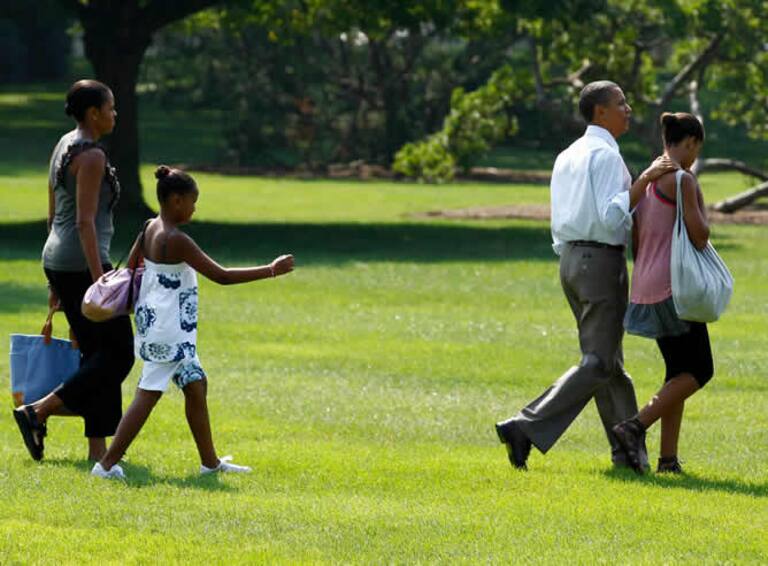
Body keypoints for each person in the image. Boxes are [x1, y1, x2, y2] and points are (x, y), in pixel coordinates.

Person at [494, 80, 678, 470]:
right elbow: (612, 216)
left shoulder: (567, 155)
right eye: (621, 103)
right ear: (600, 112)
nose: (628, 109)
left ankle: (629, 457)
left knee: (610, 364)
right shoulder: (607, 157)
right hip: (600, 263)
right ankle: (524, 426)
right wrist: (645, 179)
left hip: (570, 262)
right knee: (598, 362)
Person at [91, 166, 295, 479]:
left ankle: (210, 464)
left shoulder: (149, 227)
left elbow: (132, 268)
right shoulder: (176, 239)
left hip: (158, 323)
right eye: (192, 201)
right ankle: (105, 466)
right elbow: (221, 276)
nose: (194, 208)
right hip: (169, 330)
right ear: (176, 200)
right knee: (148, 393)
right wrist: (270, 270)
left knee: (196, 385)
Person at [13, 80, 134, 462]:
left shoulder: (64, 143)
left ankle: (99, 452)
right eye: (110, 107)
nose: (115, 114)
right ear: (93, 113)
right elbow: (84, 222)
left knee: (97, 355)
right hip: (83, 263)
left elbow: (53, 214)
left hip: (59, 259)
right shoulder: (92, 156)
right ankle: (38, 411)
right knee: (119, 354)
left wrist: (55, 280)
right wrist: (101, 280)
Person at [613, 113, 711, 474]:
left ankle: (668, 460)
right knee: (700, 370)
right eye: (696, 148)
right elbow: (700, 236)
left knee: (677, 373)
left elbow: (637, 238)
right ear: (690, 143)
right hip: (675, 288)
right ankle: (634, 426)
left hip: (647, 286)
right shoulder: (683, 179)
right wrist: (700, 202)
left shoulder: (649, 179)